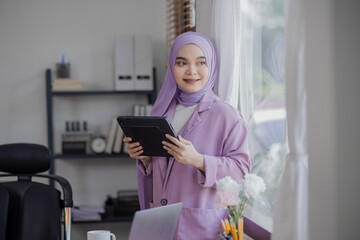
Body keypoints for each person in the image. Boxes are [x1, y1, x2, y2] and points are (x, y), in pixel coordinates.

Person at [123, 32, 250, 240]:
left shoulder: (227, 116)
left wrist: (198, 160)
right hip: (161, 226)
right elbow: (161, 175)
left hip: (201, 229)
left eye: (201, 63)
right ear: (171, 66)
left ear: (212, 67)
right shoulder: (162, 112)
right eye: (182, 63)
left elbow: (241, 171)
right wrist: (146, 160)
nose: (191, 71)